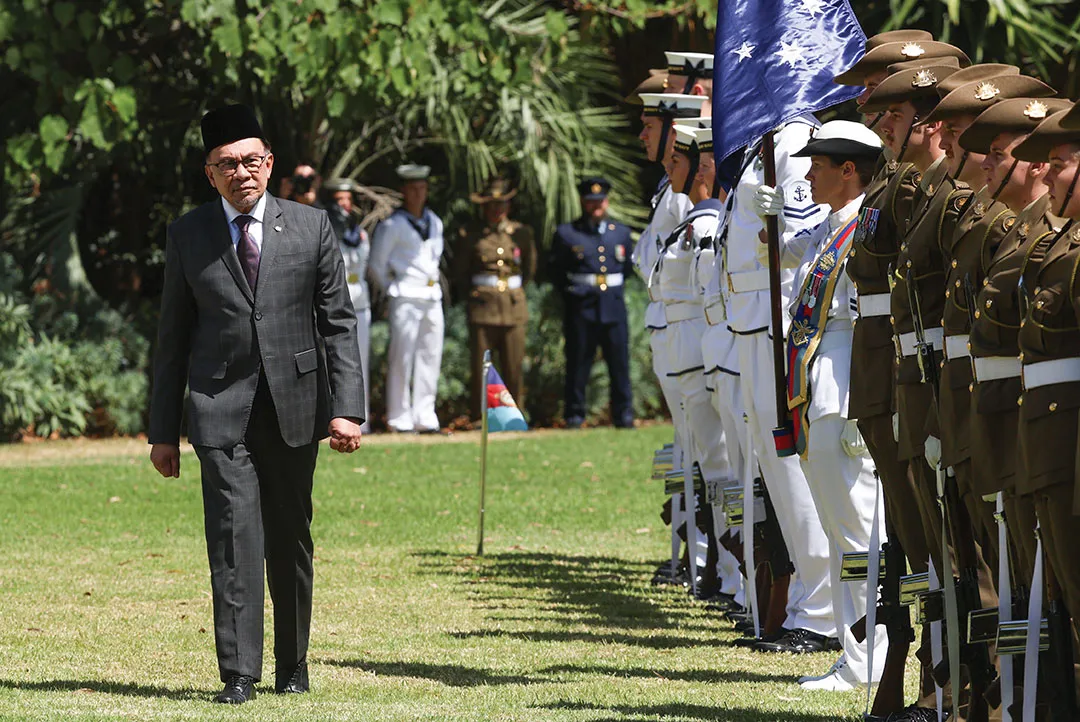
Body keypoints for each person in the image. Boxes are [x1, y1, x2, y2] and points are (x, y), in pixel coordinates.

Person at [147, 104, 364, 704]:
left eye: (251, 160)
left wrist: (347, 409)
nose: (241, 172)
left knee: (290, 538)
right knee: (232, 538)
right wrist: (162, 431)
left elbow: (338, 325)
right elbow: (171, 339)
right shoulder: (188, 235)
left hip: (294, 407)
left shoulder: (312, 226)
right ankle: (237, 674)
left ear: (268, 164)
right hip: (219, 408)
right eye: (227, 164)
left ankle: (293, 665)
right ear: (209, 173)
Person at [756, 120, 890, 691]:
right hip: (815, 384)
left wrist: (864, 401)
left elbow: (868, 321)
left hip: (843, 389)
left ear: (850, 170)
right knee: (843, 534)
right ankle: (854, 655)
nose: (808, 173)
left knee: (860, 534)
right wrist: (773, 217)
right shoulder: (835, 226)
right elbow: (787, 253)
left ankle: (871, 661)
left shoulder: (866, 228)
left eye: (819, 164)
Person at [719, 107, 837, 655]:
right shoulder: (761, 142)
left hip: (777, 317)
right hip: (749, 319)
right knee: (775, 468)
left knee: (793, 468)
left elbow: (815, 234)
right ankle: (803, 604)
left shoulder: (792, 141)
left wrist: (780, 228)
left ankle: (821, 610)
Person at [548, 178, 634, 428]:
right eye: (590, 202)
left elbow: (626, 268)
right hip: (581, 305)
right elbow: (555, 271)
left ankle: (624, 415)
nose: (596, 207)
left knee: (619, 363)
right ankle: (574, 416)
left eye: (600, 202)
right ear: (583, 203)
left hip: (613, 305)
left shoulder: (620, 232)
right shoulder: (567, 233)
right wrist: (572, 295)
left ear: (606, 202)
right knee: (578, 363)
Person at [370, 164, 445, 433]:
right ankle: (399, 416)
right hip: (406, 294)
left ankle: (425, 414)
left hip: (431, 295)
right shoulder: (392, 224)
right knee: (401, 356)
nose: (418, 193)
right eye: (412, 188)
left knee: (430, 354)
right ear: (403, 191)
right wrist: (393, 288)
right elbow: (376, 265)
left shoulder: (434, 221)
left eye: (422, 188)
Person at [453, 176, 536, 421]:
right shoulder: (470, 234)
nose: (496, 210)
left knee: (514, 365)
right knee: (482, 366)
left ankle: (513, 415)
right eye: (491, 205)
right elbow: (460, 271)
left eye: (501, 205)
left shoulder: (522, 233)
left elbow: (529, 269)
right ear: (483, 207)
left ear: (508, 206)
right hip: (483, 306)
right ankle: (481, 416)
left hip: (513, 306)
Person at [325, 178, 373, 434]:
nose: (344, 204)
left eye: (347, 199)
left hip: (360, 299)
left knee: (360, 361)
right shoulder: (325, 228)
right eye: (338, 199)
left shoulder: (359, 231)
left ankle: (361, 419)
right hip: (335, 300)